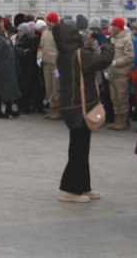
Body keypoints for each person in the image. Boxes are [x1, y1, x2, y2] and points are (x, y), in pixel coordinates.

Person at [55, 18, 114, 202]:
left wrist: (86, 46)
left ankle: (83, 186)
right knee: (79, 150)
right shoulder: (79, 54)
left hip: (71, 104)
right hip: (80, 105)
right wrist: (106, 44)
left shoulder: (64, 54)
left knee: (80, 147)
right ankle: (69, 189)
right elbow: (104, 59)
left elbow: (84, 61)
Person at [0, 15, 21, 118]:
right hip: (0, 69)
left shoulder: (2, 35)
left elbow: (10, 47)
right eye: (1, 22)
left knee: (8, 89)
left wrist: (20, 52)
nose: (3, 24)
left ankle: (9, 109)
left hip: (7, 68)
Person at [107, 17, 135, 130]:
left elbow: (130, 56)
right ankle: (117, 120)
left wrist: (117, 62)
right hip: (113, 73)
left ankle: (123, 122)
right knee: (114, 98)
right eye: (112, 25)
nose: (112, 27)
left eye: (114, 25)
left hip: (121, 74)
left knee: (122, 98)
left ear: (119, 27)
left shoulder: (126, 39)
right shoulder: (113, 39)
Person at [40, 12, 62, 118]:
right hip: (46, 64)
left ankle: (58, 110)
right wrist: (39, 57)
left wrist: (60, 66)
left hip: (55, 65)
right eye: (48, 20)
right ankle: (52, 109)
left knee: (56, 88)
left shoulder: (60, 33)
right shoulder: (44, 33)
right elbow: (40, 47)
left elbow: (62, 50)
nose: (48, 23)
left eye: (51, 21)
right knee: (48, 87)